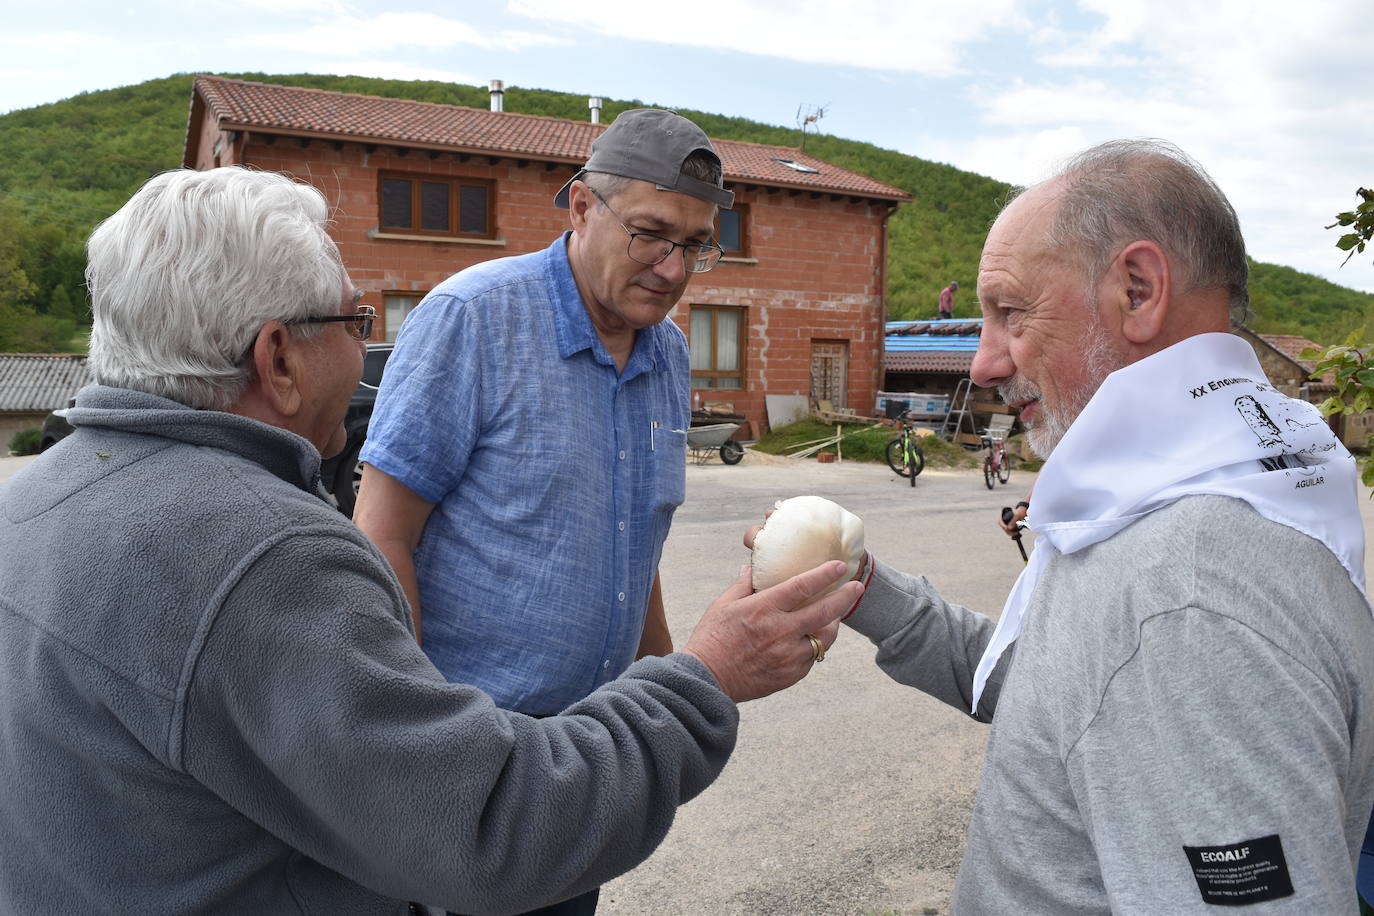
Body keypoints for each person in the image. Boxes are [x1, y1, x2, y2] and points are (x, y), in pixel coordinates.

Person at [0, 166, 860, 915]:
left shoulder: (31, 498)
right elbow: (489, 827)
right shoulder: (268, 559)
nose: (371, 347)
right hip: (501, 783)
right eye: (355, 319)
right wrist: (702, 678)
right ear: (279, 360)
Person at [835, 140, 1374, 912]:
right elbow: (1067, 698)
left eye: (1010, 312)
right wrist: (865, 592)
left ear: (1138, 288)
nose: (984, 364)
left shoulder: (1187, 600)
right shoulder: (1205, 490)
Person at [355, 113, 722, 727]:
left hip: (608, 742)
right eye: (650, 233)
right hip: (480, 747)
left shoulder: (670, 354)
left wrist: (664, 708)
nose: (673, 269)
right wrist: (420, 727)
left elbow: (634, 545)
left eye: (695, 244)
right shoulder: (471, 318)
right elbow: (381, 533)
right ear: (581, 206)